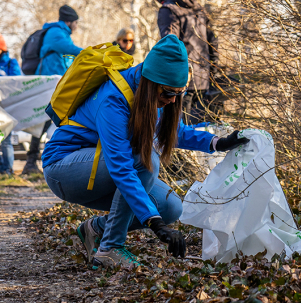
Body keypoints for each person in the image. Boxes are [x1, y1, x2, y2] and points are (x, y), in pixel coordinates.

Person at [42, 35, 247, 268]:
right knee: (145, 159)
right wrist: (154, 223)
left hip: (99, 166)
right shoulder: (114, 100)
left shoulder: (149, 93)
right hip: (63, 168)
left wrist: (217, 143)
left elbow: (173, 131)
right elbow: (121, 168)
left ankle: (95, 229)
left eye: (178, 94)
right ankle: (110, 249)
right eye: (168, 93)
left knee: (170, 207)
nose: (172, 100)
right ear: (152, 84)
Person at [21, 5, 84, 176]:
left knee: (47, 121)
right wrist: (92, 52)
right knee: (45, 121)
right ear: (69, 21)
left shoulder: (60, 33)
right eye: (76, 22)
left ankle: (34, 161)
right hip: (50, 86)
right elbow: (70, 50)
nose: (77, 26)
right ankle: (32, 162)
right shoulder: (56, 33)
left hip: (56, 85)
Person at [155, 0, 213, 125]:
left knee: (179, 132)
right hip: (204, 80)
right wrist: (212, 75)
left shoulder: (168, 10)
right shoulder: (198, 8)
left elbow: (170, 46)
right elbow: (213, 41)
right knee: (199, 129)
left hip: (182, 82)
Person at [0, 34, 21, 176]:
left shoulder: (11, 63)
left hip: (6, 106)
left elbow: (17, 81)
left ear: (2, 50)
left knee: (6, 140)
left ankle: (8, 169)